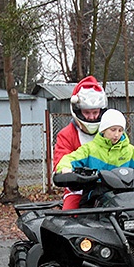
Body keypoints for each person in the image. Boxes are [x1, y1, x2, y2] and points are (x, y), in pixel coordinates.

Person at [56, 109, 134, 209]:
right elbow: (69, 159)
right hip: (98, 194)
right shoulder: (90, 149)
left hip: (127, 194)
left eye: (120, 130)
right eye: (113, 130)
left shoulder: (129, 151)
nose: (117, 134)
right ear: (103, 130)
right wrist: (65, 168)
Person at [52, 75, 108, 209]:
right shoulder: (66, 135)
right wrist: (65, 172)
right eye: (87, 112)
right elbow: (61, 160)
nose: (92, 117)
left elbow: (127, 152)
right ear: (78, 110)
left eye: (95, 112)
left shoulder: (111, 131)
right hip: (79, 190)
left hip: (111, 187)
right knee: (69, 219)